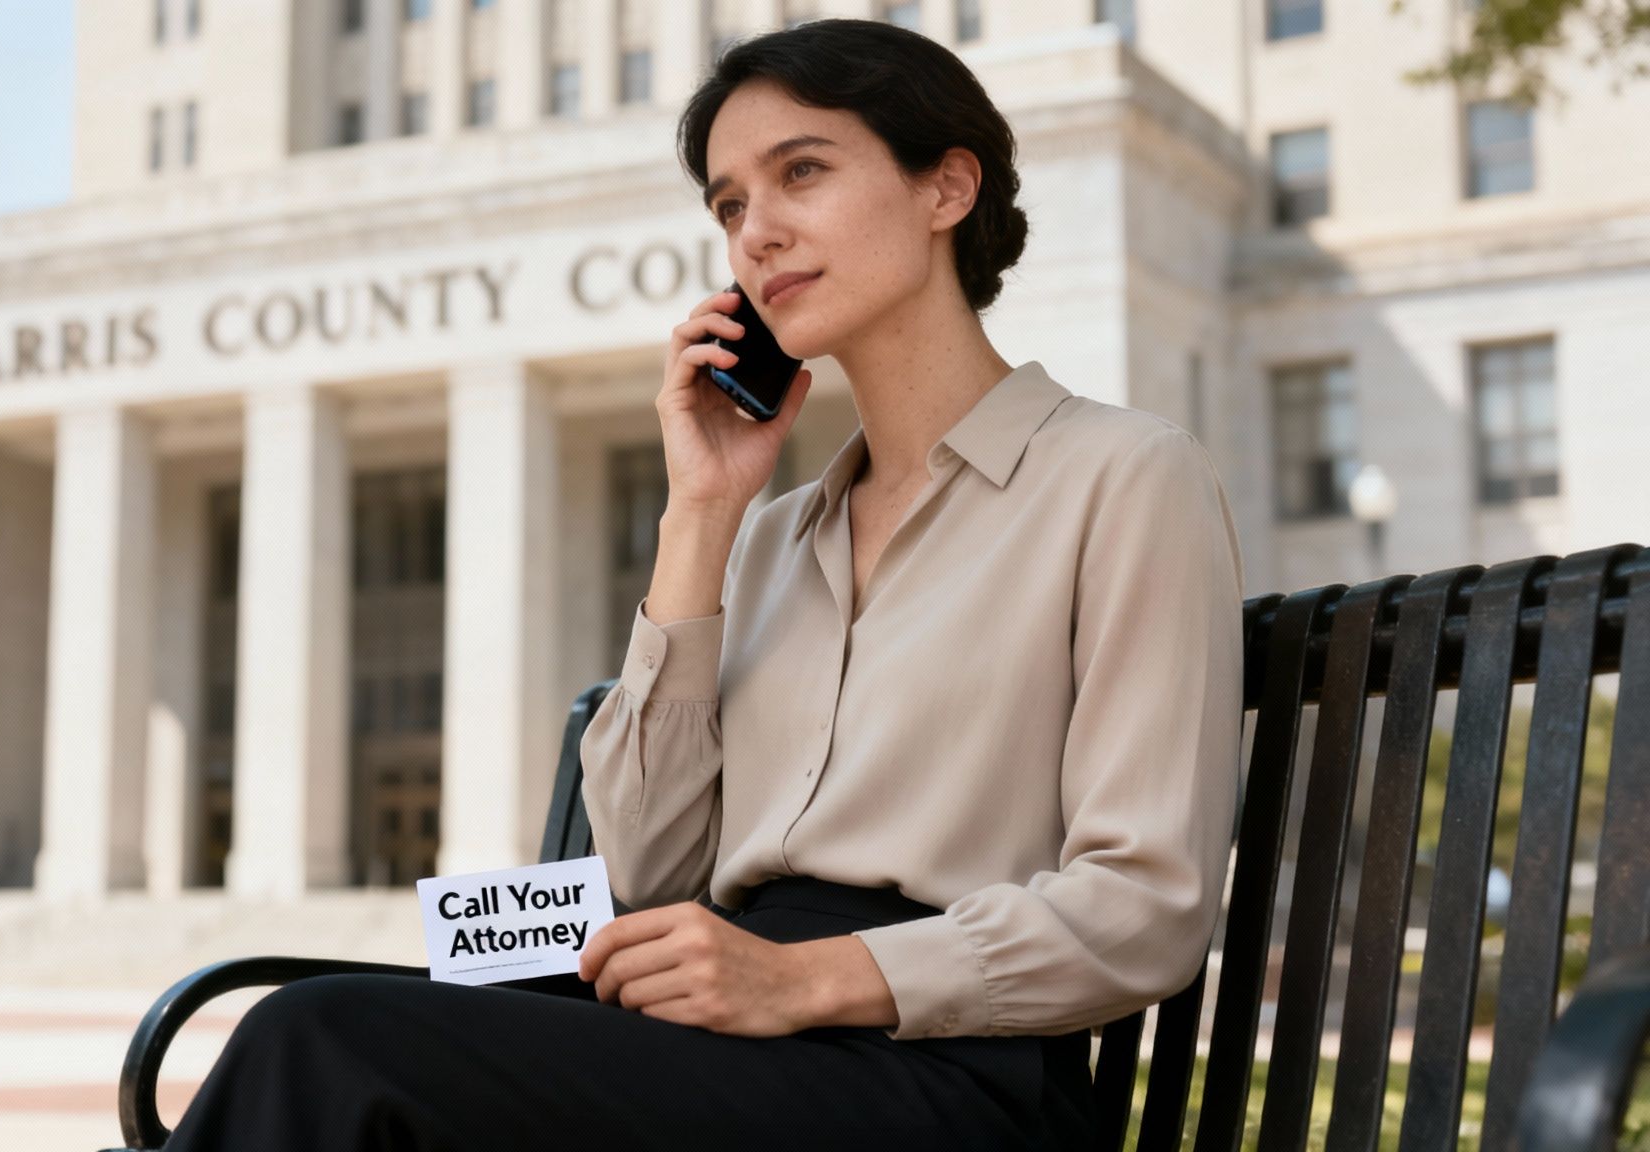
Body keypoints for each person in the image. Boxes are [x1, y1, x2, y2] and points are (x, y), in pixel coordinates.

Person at [160, 17, 1244, 1151]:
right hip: (723, 1036)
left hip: (933, 1075)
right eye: (728, 205)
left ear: (945, 188)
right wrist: (701, 515)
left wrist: (803, 980)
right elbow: (644, 872)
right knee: (329, 1047)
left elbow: (1145, 907)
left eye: (802, 173)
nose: (756, 233)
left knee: (324, 1042)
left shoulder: (1122, 476)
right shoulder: (771, 538)